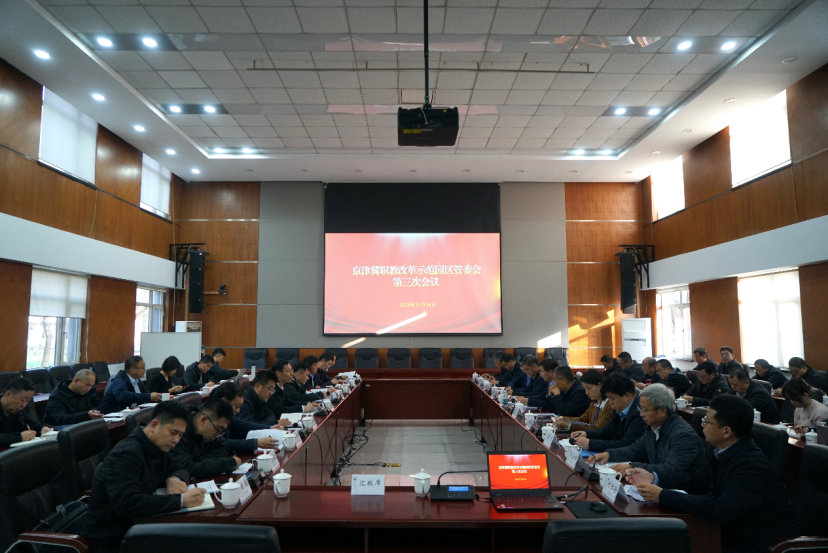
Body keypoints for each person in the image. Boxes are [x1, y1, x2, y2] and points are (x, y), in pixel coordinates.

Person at [630, 395, 799, 553]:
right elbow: (697, 482)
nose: (702, 425)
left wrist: (663, 495)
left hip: (757, 544)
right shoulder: (722, 451)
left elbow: (720, 509)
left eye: (707, 421)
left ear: (726, 431)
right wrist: (654, 478)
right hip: (727, 532)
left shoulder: (751, 466)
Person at [82, 401, 205, 553]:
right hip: (113, 541)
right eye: (173, 433)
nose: (176, 440)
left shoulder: (155, 445)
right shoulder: (126, 454)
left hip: (141, 527)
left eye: (180, 435)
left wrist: (174, 479)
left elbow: (181, 468)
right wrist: (181, 500)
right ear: (154, 425)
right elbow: (127, 504)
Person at [589, 384, 708, 494]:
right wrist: (609, 454)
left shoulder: (683, 435)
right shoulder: (653, 427)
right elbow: (635, 450)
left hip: (684, 495)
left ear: (662, 411)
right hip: (660, 489)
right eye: (640, 409)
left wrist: (631, 466)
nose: (641, 414)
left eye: (645, 410)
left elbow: (670, 469)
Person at [570, 373, 646, 452]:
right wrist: (586, 434)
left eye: (612, 399)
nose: (610, 403)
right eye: (608, 399)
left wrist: (590, 444)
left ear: (627, 396)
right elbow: (607, 431)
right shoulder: (620, 409)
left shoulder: (639, 414)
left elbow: (626, 444)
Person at [169, 399, 241, 479]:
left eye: (221, 431)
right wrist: (226, 463)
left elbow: (223, 445)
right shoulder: (177, 433)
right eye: (218, 430)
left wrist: (201, 463)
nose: (218, 435)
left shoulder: (208, 431)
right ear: (203, 420)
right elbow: (186, 470)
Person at [211, 383, 286, 453]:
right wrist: (255, 443)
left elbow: (244, 426)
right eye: (236, 406)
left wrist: (269, 428)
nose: (238, 411)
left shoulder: (227, 415)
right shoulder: (210, 417)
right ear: (225, 401)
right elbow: (220, 443)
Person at [0, 377, 52, 446]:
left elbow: (30, 423)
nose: (24, 405)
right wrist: (19, 437)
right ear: (8, 394)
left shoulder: (18, 410)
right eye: (22, 400)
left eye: (28, 401)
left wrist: (42, 428)